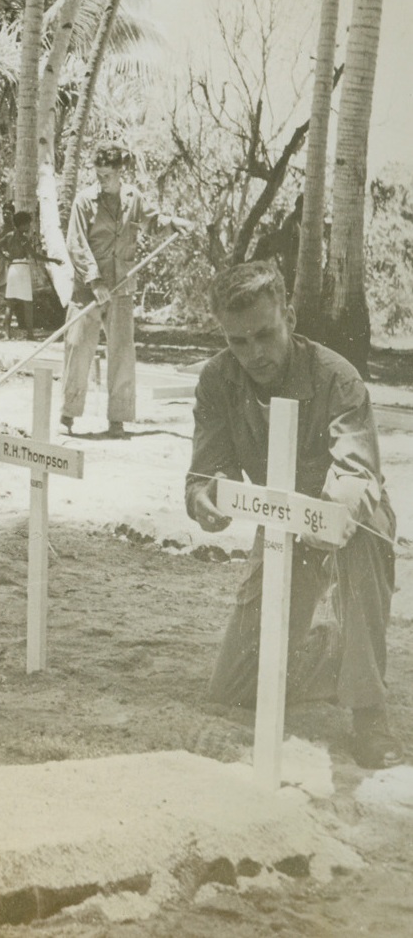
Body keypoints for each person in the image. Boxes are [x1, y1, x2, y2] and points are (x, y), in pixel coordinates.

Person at [187, 262, 402, 770]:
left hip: (346, 520)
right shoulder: (218, 379)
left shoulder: (338, 378)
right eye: (239, 341)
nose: (254, 353)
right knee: (234, 690)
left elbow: (356, 477)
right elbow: (203, 474)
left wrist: (331, 517)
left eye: (265, 334)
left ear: (290, 313)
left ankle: (368, 711)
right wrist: (207, 504)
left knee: (366, 536)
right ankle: (333, 652)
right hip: (281, 527)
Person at [61, 140, 194, 437]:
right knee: (78, 346)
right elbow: (76, 243)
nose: (102, 180)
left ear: (120, 172)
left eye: (107, 175)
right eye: (98, 174)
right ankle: (68, 414)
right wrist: (94, 281)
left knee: (122, 352)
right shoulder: (84, 201)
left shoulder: (134, 198)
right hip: (88, 288)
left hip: (121, 287)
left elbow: (153, 221)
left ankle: (117, 419)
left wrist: (173, 222)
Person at [0, 210, 62, 341]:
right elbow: (35, 255)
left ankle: (6, 333)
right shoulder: (23, 239)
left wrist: (6, 257)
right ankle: (30, 334)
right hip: (22, 268)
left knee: (9, 304)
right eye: (27, 224)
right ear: (21, 225)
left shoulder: (9, 236)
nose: (29, 226)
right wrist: (53, 260)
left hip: (12, 268)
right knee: (28, 303)